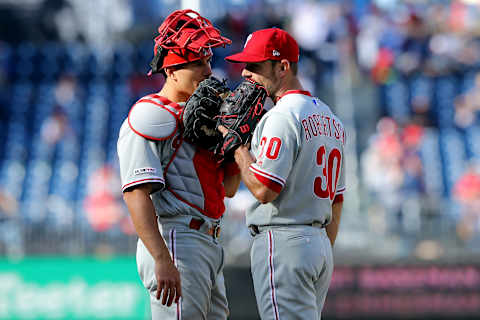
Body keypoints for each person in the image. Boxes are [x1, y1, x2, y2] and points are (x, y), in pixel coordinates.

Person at [117, 9, 240, 319]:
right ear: (171, 70)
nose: (208, 70)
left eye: (208, 61)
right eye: (197, 62)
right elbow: (135, 193)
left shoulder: (205, 116)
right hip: (175, 239)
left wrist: (239, 141)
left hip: (209, 241)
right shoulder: (150, 115)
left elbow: (228, 189)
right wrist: (161, 257)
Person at [222, 28, 346, 319]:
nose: (245, 73)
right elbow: (337, 200)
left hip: (284, 242)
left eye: (255, 66)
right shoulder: (330, 117)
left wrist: (237, 146)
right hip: (318, 245)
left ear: (283, 66)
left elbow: (264, 190)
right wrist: (319, 246)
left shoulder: (281, 116)